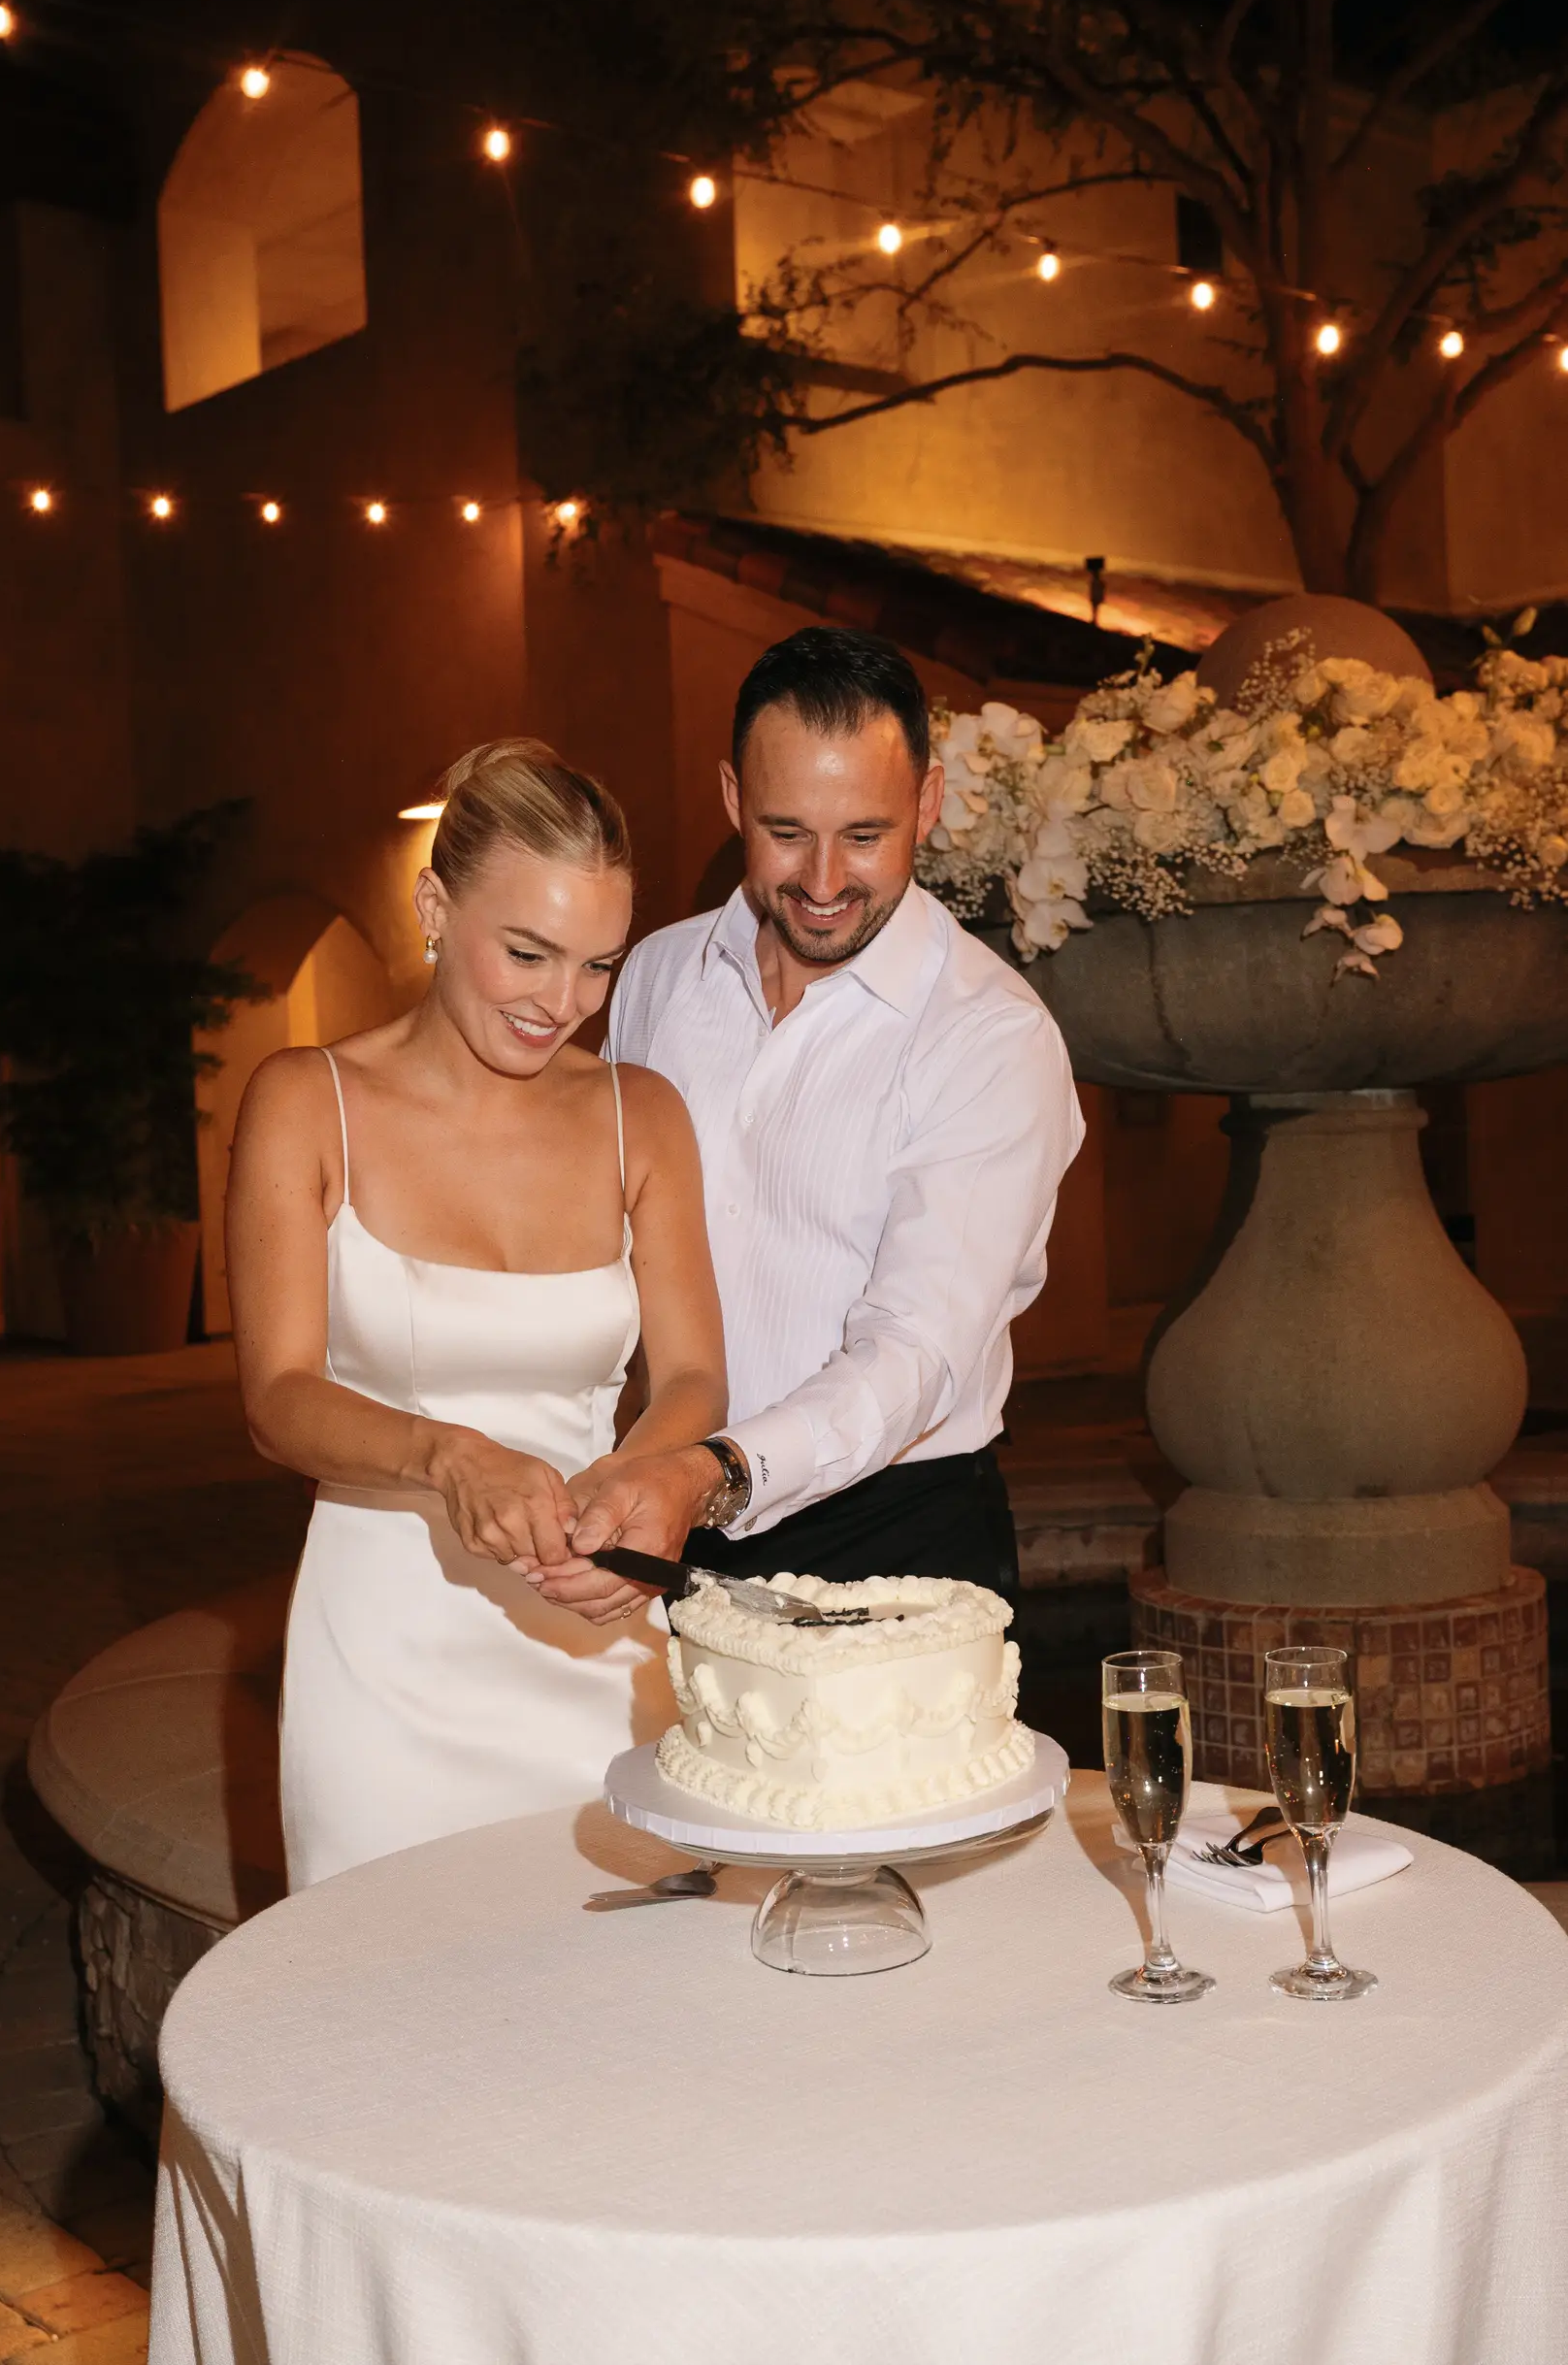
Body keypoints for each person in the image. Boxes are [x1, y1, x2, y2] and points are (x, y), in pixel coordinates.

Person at [226, 740, 725, 1889]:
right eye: (528, 952)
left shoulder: (640, 1114)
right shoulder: (308, 1103)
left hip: (600, 1623)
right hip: (389, 1652)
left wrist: (635, 1497)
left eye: (599, 965)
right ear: (435, 905)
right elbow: (278, 1397)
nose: (564, 1003)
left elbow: (694, 1377)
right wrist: (446, 1454)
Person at [538, 626, 1084, 1609]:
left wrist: (709, 1470)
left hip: (895, 1534)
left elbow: (916, 1350)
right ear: (733, 799)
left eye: (865, 835)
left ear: (928, 803)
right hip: (656, 1512)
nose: (825, 881)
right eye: (786, 831)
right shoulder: (658, 974)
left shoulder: (991, 1038)